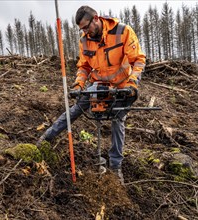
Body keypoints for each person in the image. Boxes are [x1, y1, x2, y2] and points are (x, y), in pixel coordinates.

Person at [37, 5, 146, 184]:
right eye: (82, 29)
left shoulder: (123, 32)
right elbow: (84, 66)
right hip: (98, 84)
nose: (86, 32)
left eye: (87, 27)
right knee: (76, 108)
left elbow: (138, 60)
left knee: (118, 120)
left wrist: (133, 83)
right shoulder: (85, 40)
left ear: (96, 18)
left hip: (121, 85)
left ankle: (116, 167)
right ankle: (47, 137)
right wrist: (79, 84)